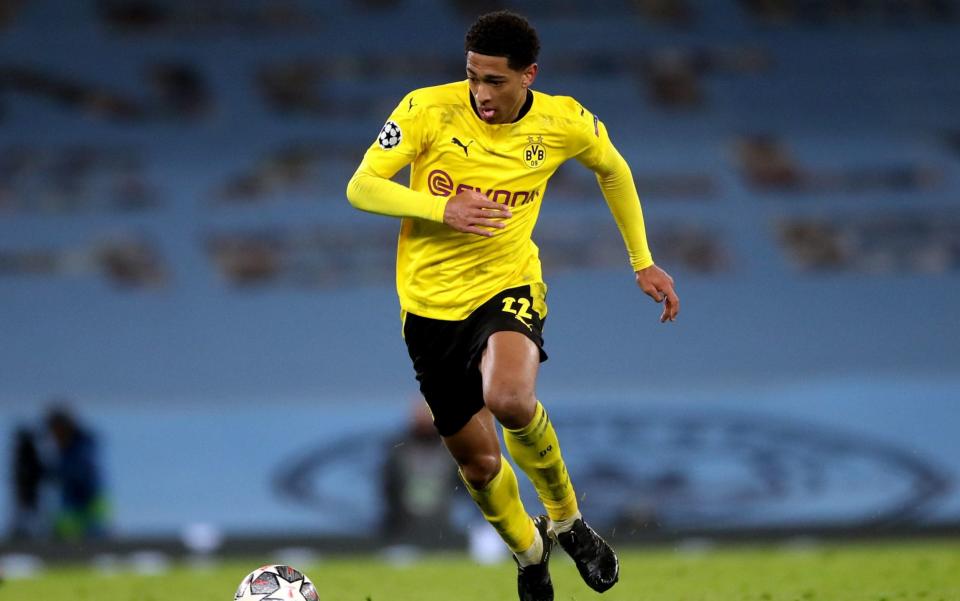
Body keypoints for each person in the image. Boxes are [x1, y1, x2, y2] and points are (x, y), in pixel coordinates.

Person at [346, 10, 679, 601]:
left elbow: (614, 169)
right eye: (472, 76)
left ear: (529, 75)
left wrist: (642, 260)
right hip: (428, 307)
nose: (480, 93)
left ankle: (569, 522)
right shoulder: (426, 109)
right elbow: (362, 185)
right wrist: (441, 208)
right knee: (478, 465)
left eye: (494, 81)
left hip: (508, 285)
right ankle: (529, 554)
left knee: (509, 399)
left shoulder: (562, 120)